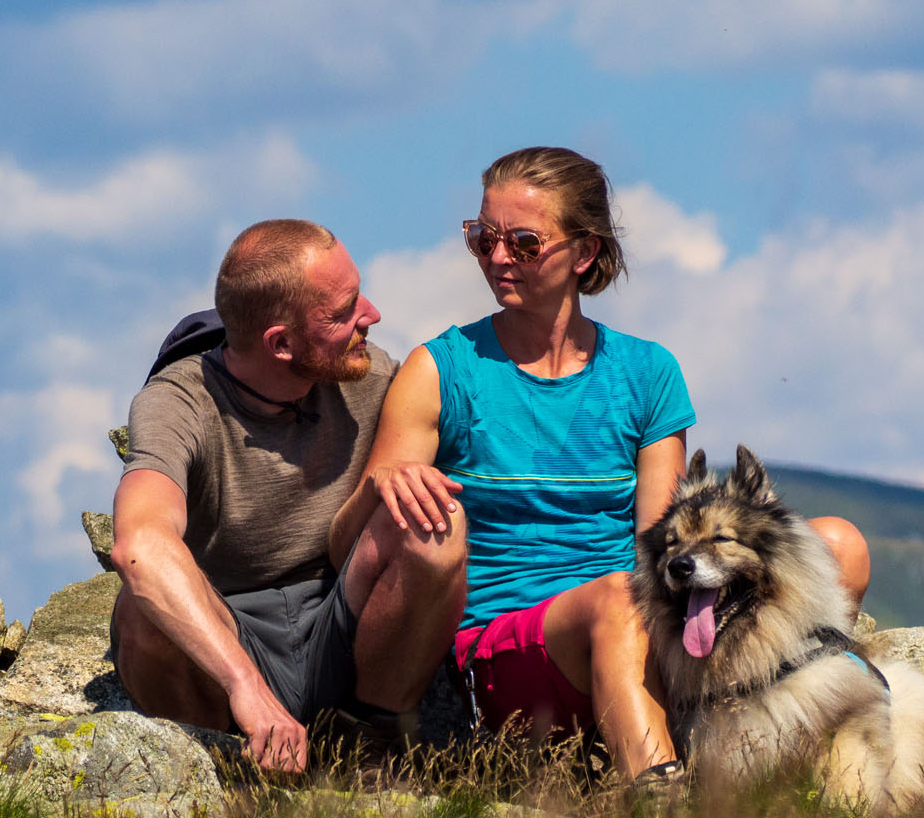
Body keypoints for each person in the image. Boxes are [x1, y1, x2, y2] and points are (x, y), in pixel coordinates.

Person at [340, 147, 870, 783]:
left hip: (639, 627)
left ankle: (796, 742)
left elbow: (666, 543)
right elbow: (349, 549)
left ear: (584, 253)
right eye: (483, 238)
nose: (498, 258)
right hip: (502, 653)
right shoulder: (440, 371)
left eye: (524, 242)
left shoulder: (647, 374)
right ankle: (658, 804)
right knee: (619, 598)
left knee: (840, 546)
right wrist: (380, 485)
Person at [110, 219, 468, 774]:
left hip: (339, 621)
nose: (371, 315)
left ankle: (370, 752)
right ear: (280, 343)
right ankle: (221, 772)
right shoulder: (179, 402)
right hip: (228, 636)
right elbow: (139, 543)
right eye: (344, 311)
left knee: (434, 519)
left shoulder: (371, 378)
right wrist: (245, 688)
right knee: (139, 610)